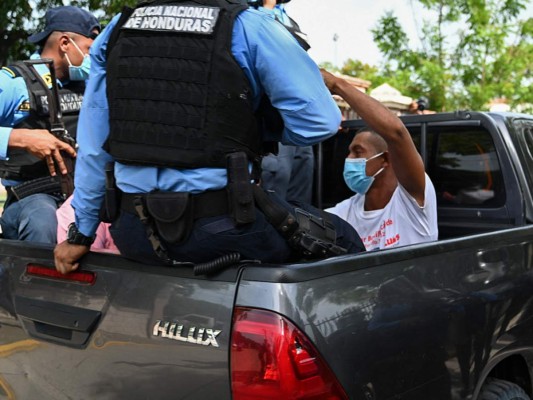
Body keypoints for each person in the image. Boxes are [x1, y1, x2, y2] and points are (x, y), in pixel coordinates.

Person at [54, 1, 365, 274]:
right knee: (344, 239)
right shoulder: (249, 26)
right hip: (226, 230)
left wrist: (81, 234)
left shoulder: (117, 30)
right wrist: (250, 127)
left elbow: (94, 148)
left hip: (136, 232)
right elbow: (320, 123)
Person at [0, 6, 100, 243]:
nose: (94, 57)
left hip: (80, 196)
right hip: (31, 198)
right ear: (65, 43)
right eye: (89, 48)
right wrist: (21, 138)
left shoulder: (91, 87)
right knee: (45, 223)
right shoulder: (14, 82)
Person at [322, 69, 438, 251]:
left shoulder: (411, 203)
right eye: (349, 152)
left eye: (357, 152)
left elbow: (397, 134)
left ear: (385, 159)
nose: (348, 159)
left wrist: (337, 85)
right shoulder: (346, 211)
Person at [255, 0, 315, 204]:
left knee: (300, 202)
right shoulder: (250, 13)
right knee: (275, 196)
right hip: (272, 120)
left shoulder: (288, 20)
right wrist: (266, 7)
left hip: (297, 121)